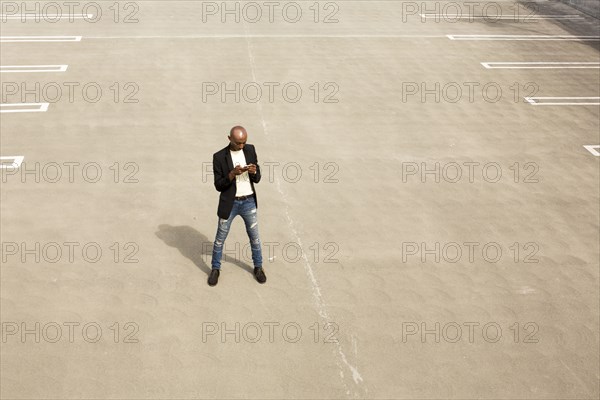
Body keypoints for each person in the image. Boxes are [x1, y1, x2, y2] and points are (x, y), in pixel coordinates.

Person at [208, 126, 266, 286]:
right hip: (230, 204)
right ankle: (215, 269)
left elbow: (257, 178)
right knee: (220, 239)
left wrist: (254, 172)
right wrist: (232, 174)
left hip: (248, 202)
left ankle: (258, 267)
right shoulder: (219, 157)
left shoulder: (250, 150)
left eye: (244, 142)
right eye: (238, 143)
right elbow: (218, 185)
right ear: (229, 139)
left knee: (255, 238)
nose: (242, 146)